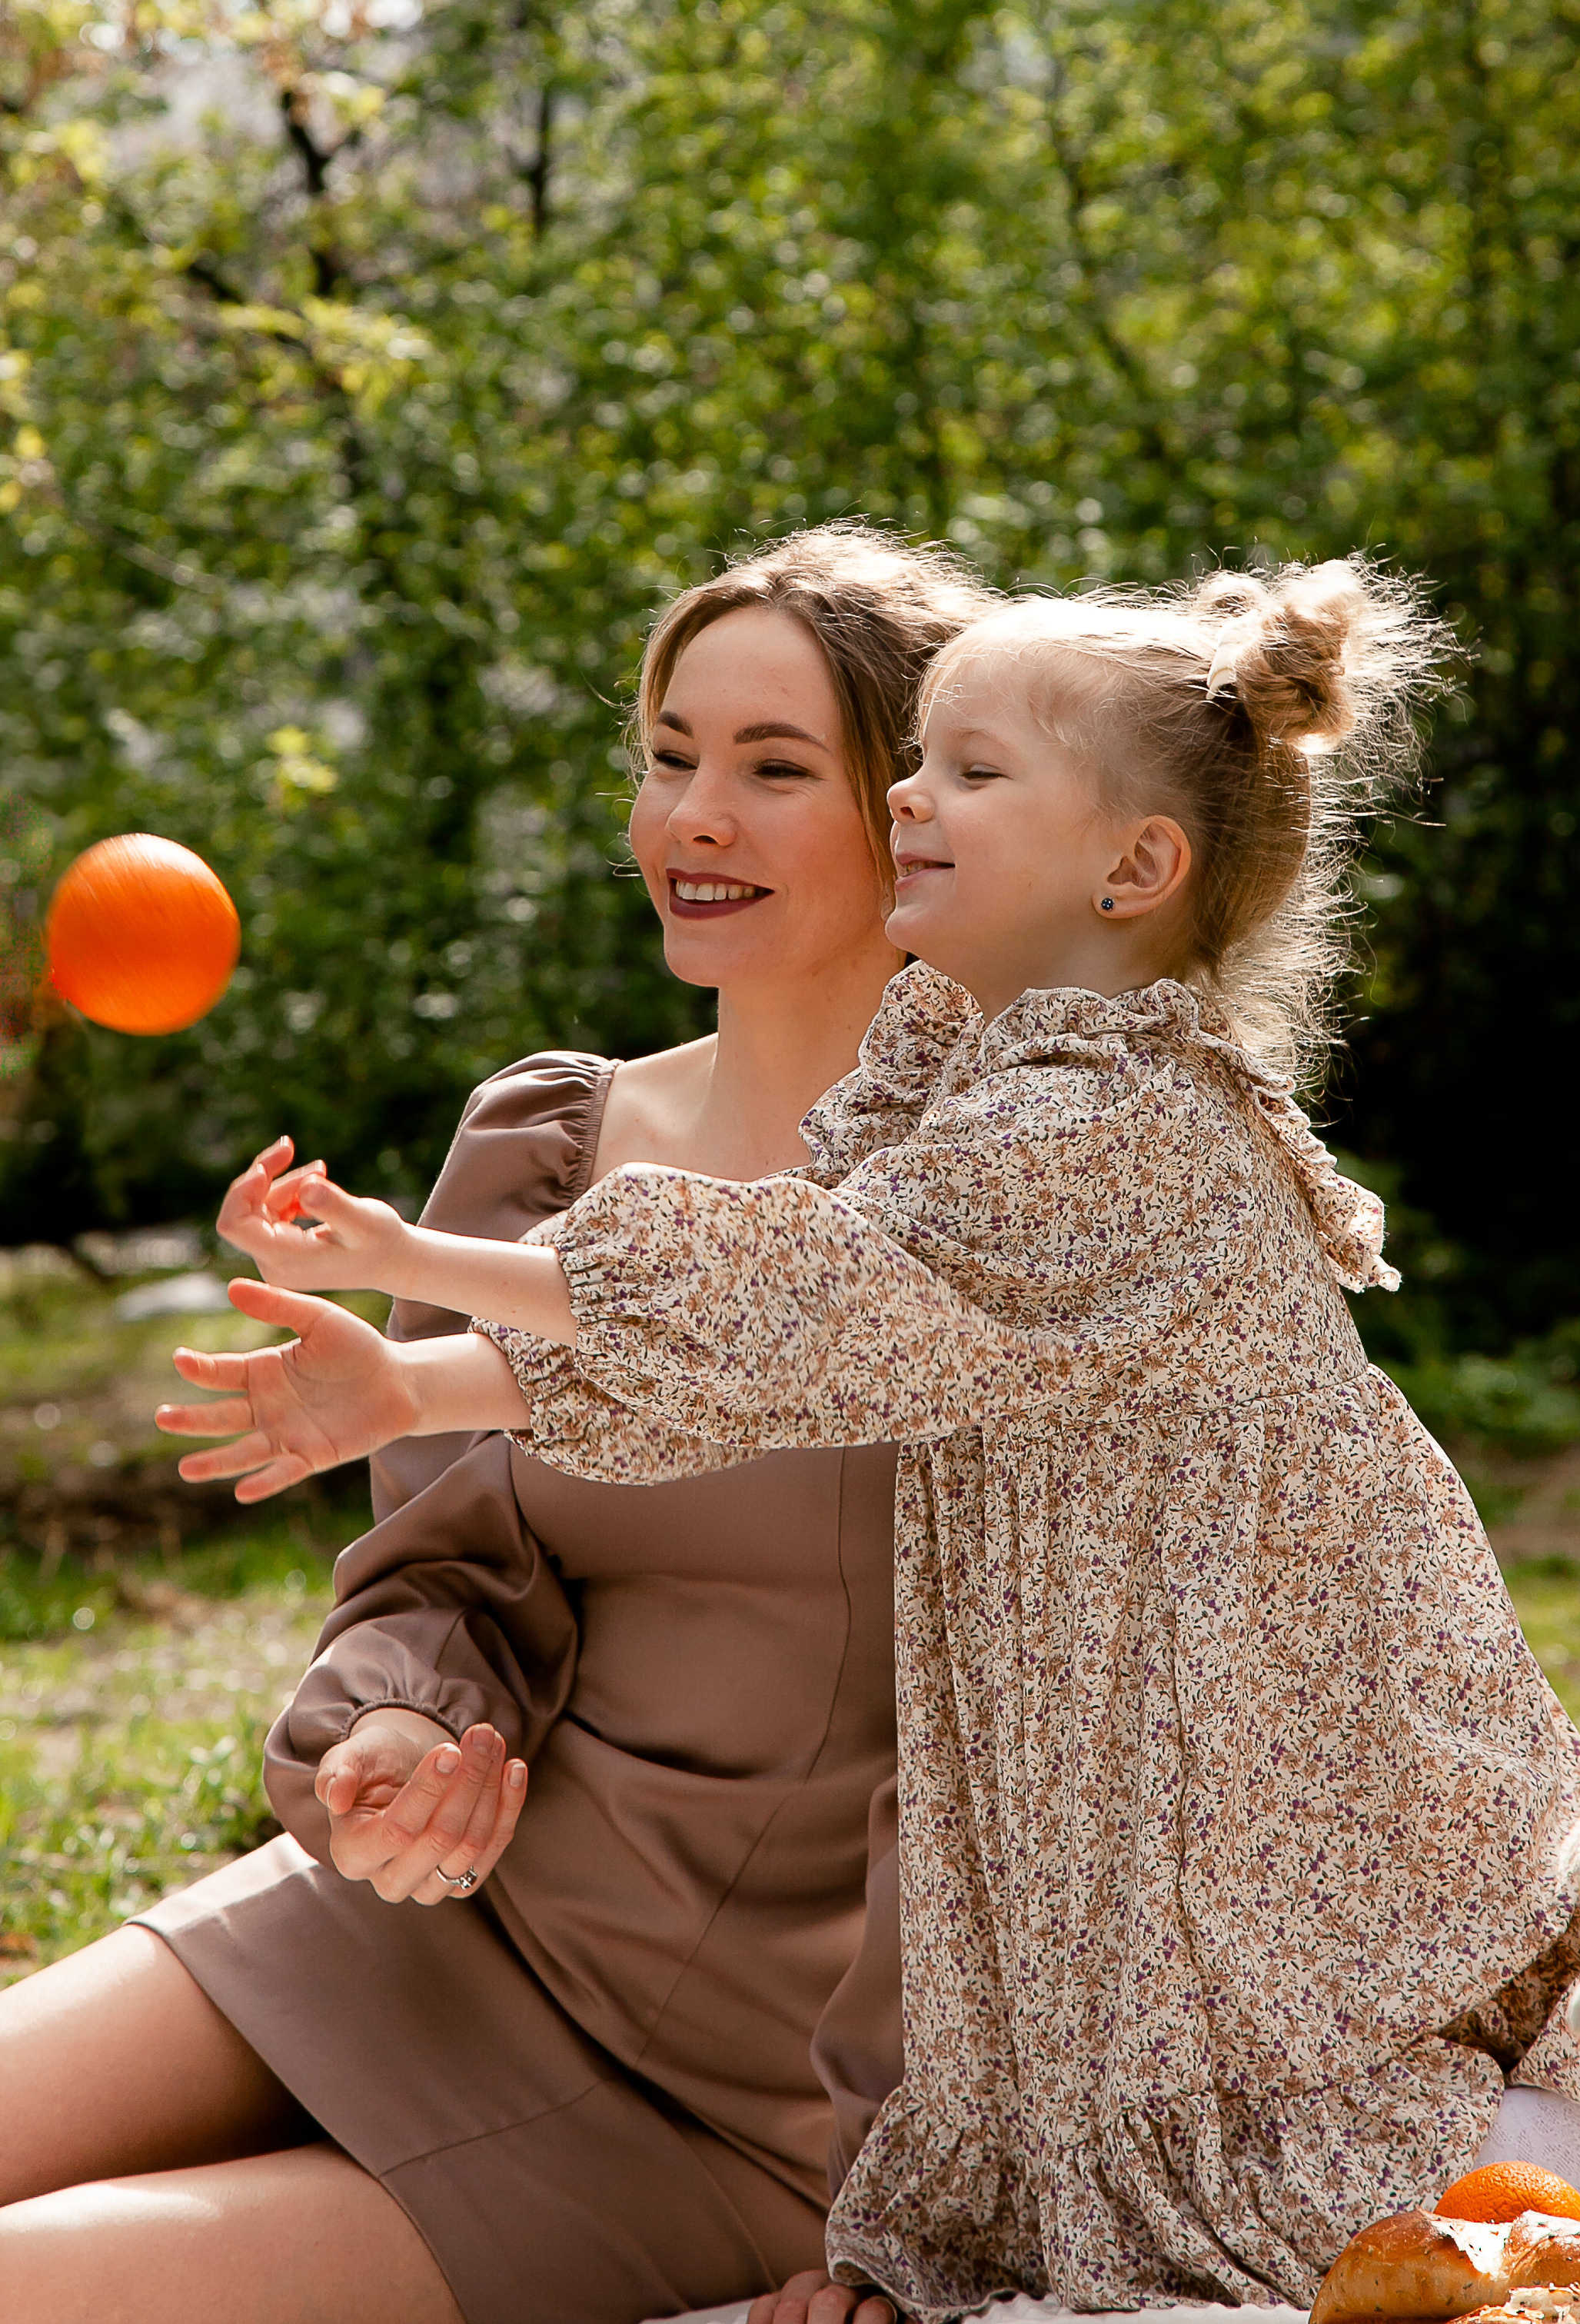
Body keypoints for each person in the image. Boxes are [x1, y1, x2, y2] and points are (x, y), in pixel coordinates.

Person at [191, 554, 1580, 2322]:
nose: (900, 801)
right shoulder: (943, 1089)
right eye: (668, 749)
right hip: (477, 1926)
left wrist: (416, 1285)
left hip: (1069, 1926)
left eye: (937, 770)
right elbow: (757, 1344)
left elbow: (804, 1288)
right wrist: (418, 1416)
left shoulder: (1112, 1130)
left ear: (1133, 863)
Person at [0, 523, 996, 2324]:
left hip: (729, 2099)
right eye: (671, 753)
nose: (693, 814)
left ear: (917, 818)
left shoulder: (1028, 1221)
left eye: (776, 768)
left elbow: (1098, 1751)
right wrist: (403, 1726)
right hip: (440, 1919)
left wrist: (932, 2204)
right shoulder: (548, 1145)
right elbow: (456, 1561)